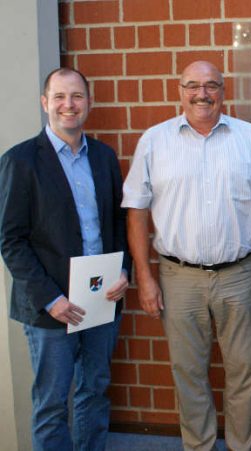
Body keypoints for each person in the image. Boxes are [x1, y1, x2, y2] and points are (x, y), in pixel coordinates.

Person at [122, 61, 251, 451]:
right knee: (188, 373)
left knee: (246, 372)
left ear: (224, 91)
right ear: (179, 90)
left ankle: (244, 447)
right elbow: (136, 208)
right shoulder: (155, 141)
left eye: (211, 85)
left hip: (240, 273)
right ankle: (199, 446)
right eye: (193, 86)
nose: (202, 94)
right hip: (178, 276)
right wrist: (145, 276)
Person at [0, 68, 130, 451]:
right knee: (52, 405)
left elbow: (118, 223)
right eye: (59, 97)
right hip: (51, 307)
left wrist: (124, 270)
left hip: (100, 301)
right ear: (45, 103)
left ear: (89, 103)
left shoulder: (104, 157)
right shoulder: (21, 161)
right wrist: (50, 298)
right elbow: (11, 240)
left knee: (93, 392)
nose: (68, 105)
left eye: (76, 97)